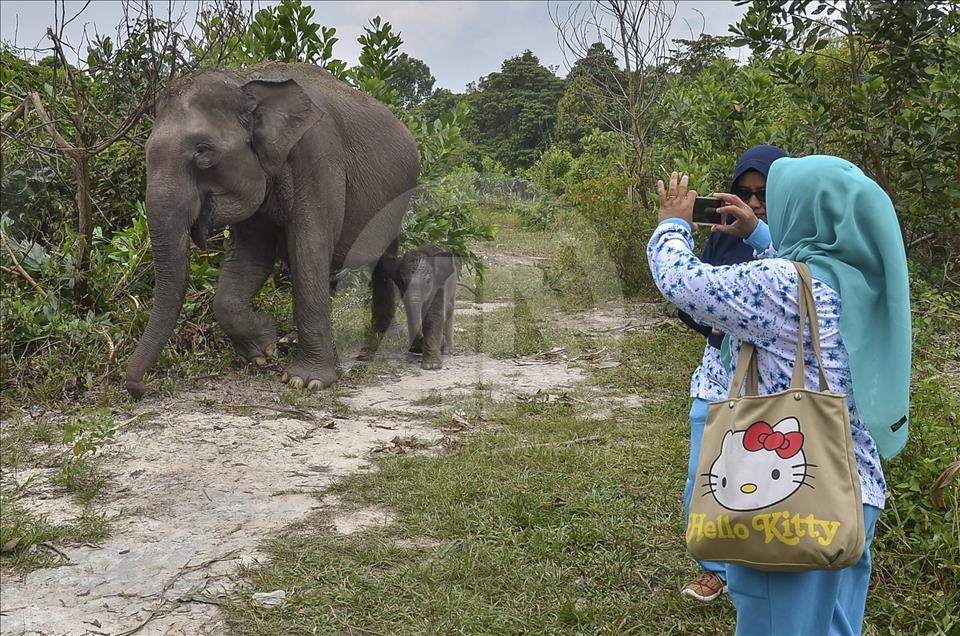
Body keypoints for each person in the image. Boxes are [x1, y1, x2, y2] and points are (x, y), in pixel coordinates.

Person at [647, 156, 911, 635]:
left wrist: (672, 226)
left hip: (786, 504)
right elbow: (795, 278)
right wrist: (757, 236)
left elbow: (683, 282)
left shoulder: (784, 286)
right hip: (851, 493)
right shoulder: (861, 281)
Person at [677, 145, 786, 603]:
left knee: (764, 476)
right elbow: (690, 294)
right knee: (705, 474)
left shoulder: (794, 236)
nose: (753, 201)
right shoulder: (722, 236)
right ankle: (716, 568)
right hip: (719, 372)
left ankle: (763, 565)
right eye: (744, 192)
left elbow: (803, 280)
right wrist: (715, 321)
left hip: (773, 380)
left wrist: (760, 232)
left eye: (763, 193)